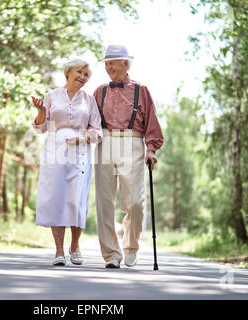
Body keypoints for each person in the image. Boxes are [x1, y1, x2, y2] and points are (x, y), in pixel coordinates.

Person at [93, 45, 164, 268]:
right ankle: (111, 254)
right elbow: (89, 121)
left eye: (112, 62)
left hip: (132, 142)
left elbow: (152, 122)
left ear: (126, 63)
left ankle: (131, 245)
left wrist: (151, 150)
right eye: (106, 63)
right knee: (104, 202)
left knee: (134, 202)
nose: (108, 67)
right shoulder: (99, 91)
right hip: (105, 142)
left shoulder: (141, 90)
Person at [31, 59, 103, 266]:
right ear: (68, 72)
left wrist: (82, 139)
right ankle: (59, 250)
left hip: (80, 150)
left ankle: (75, 245)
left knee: (77, 197)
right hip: (55, 149)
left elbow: (97, 130)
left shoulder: (88, 100)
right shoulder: (52, 96)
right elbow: (42, 128)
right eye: (79, 72)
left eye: (86, 75)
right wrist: (42, 111)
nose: (82, 77)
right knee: (57, 197)